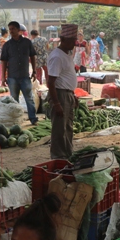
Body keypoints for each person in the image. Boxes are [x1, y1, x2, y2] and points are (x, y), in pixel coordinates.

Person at [46, 24, 79, 160]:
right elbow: (51, 82)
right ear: (62, 39)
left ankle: (67, 154)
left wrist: (73, 95)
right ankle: (58, 157)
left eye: (74, 40)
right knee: (59, 129)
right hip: (60, 95)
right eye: (71, 41)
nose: (74, 43)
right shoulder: (57, 56)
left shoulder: (66, 54)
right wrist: (56, 103)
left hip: (68, 94)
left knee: (68, 127)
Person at [1, 21, 38, 125]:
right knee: (14, 100)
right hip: (12, 77)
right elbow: (3, 61)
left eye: (13, 29)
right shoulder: (7, 45)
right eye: (10, 29)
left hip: (25, 76)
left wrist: (34, 71)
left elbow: (33, 56)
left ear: (18, 30)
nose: (11, 31)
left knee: (29, 99)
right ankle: (17, 120)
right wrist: (3, 77)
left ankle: (33, 119)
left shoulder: (27, 42)